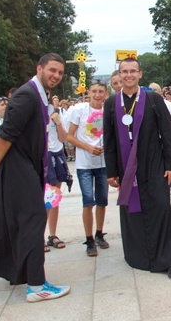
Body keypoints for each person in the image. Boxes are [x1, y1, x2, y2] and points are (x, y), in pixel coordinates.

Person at [0, 53, 70, 302]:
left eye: (60, 72)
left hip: (27, 165)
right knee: (34, 219)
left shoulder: (39, 95)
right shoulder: (26, 95)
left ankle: (22, 273)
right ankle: (37, 286)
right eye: (52, 70)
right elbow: (4, 136)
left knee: (22, 221)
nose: (56, 75)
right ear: (39, 69)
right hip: (17, 166)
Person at [103, 58, 171, 279]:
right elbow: (108, 140)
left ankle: (168, 259)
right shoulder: (111, 104)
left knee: (161, 207)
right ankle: (139, 256)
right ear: (119, 75)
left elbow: (167, 133)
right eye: (124, 71)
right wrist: (111, 171)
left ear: (140, 74)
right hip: (126, 167)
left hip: (153, 163)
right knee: (133, 211)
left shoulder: (153, 99)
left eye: (133, 71)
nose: (128, 75)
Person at [67, 80, 109, 257]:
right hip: (85, 164)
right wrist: (87, 147)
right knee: (88, 201)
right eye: (94, 91)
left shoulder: (108, 112)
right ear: (88, 93)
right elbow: (70, 136)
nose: (97, 95)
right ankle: (89, 238)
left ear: (105, 93)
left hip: (103, 163)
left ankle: (99, 233)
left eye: (101, 91)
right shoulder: (80, 110)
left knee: (102, 200)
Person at [45, 105, 71, 252]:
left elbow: (63, 138)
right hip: (43, 156)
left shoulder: (56, 115)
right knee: (42, 198)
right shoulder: (35, 114)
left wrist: (58, 123)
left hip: (57, 154)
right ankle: (38, 236)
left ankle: (52, 234)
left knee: (54, 197)